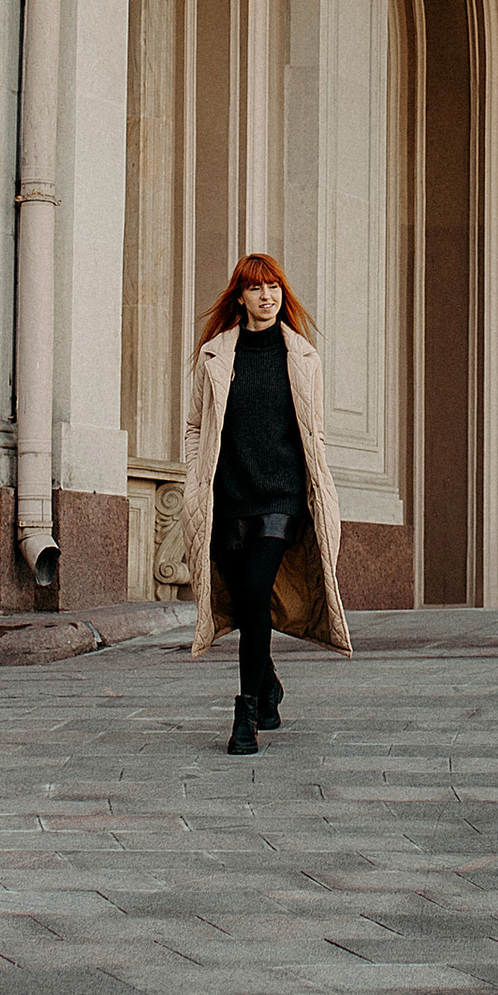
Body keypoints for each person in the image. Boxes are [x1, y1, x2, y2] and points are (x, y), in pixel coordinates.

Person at [180, 253, 352, 752]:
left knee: (256, 590)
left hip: (281, 495)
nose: (267, 297)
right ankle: (270, 682)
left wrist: (318, 488)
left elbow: (313, 433)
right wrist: (197, 478)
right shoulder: (214, 356)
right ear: (241, 297)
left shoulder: (303, 358)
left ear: (282, 293)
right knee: (246, 599)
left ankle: (246, 715)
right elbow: (195, 426)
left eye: (274, 287)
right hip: (229, 496)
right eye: (256, 289)